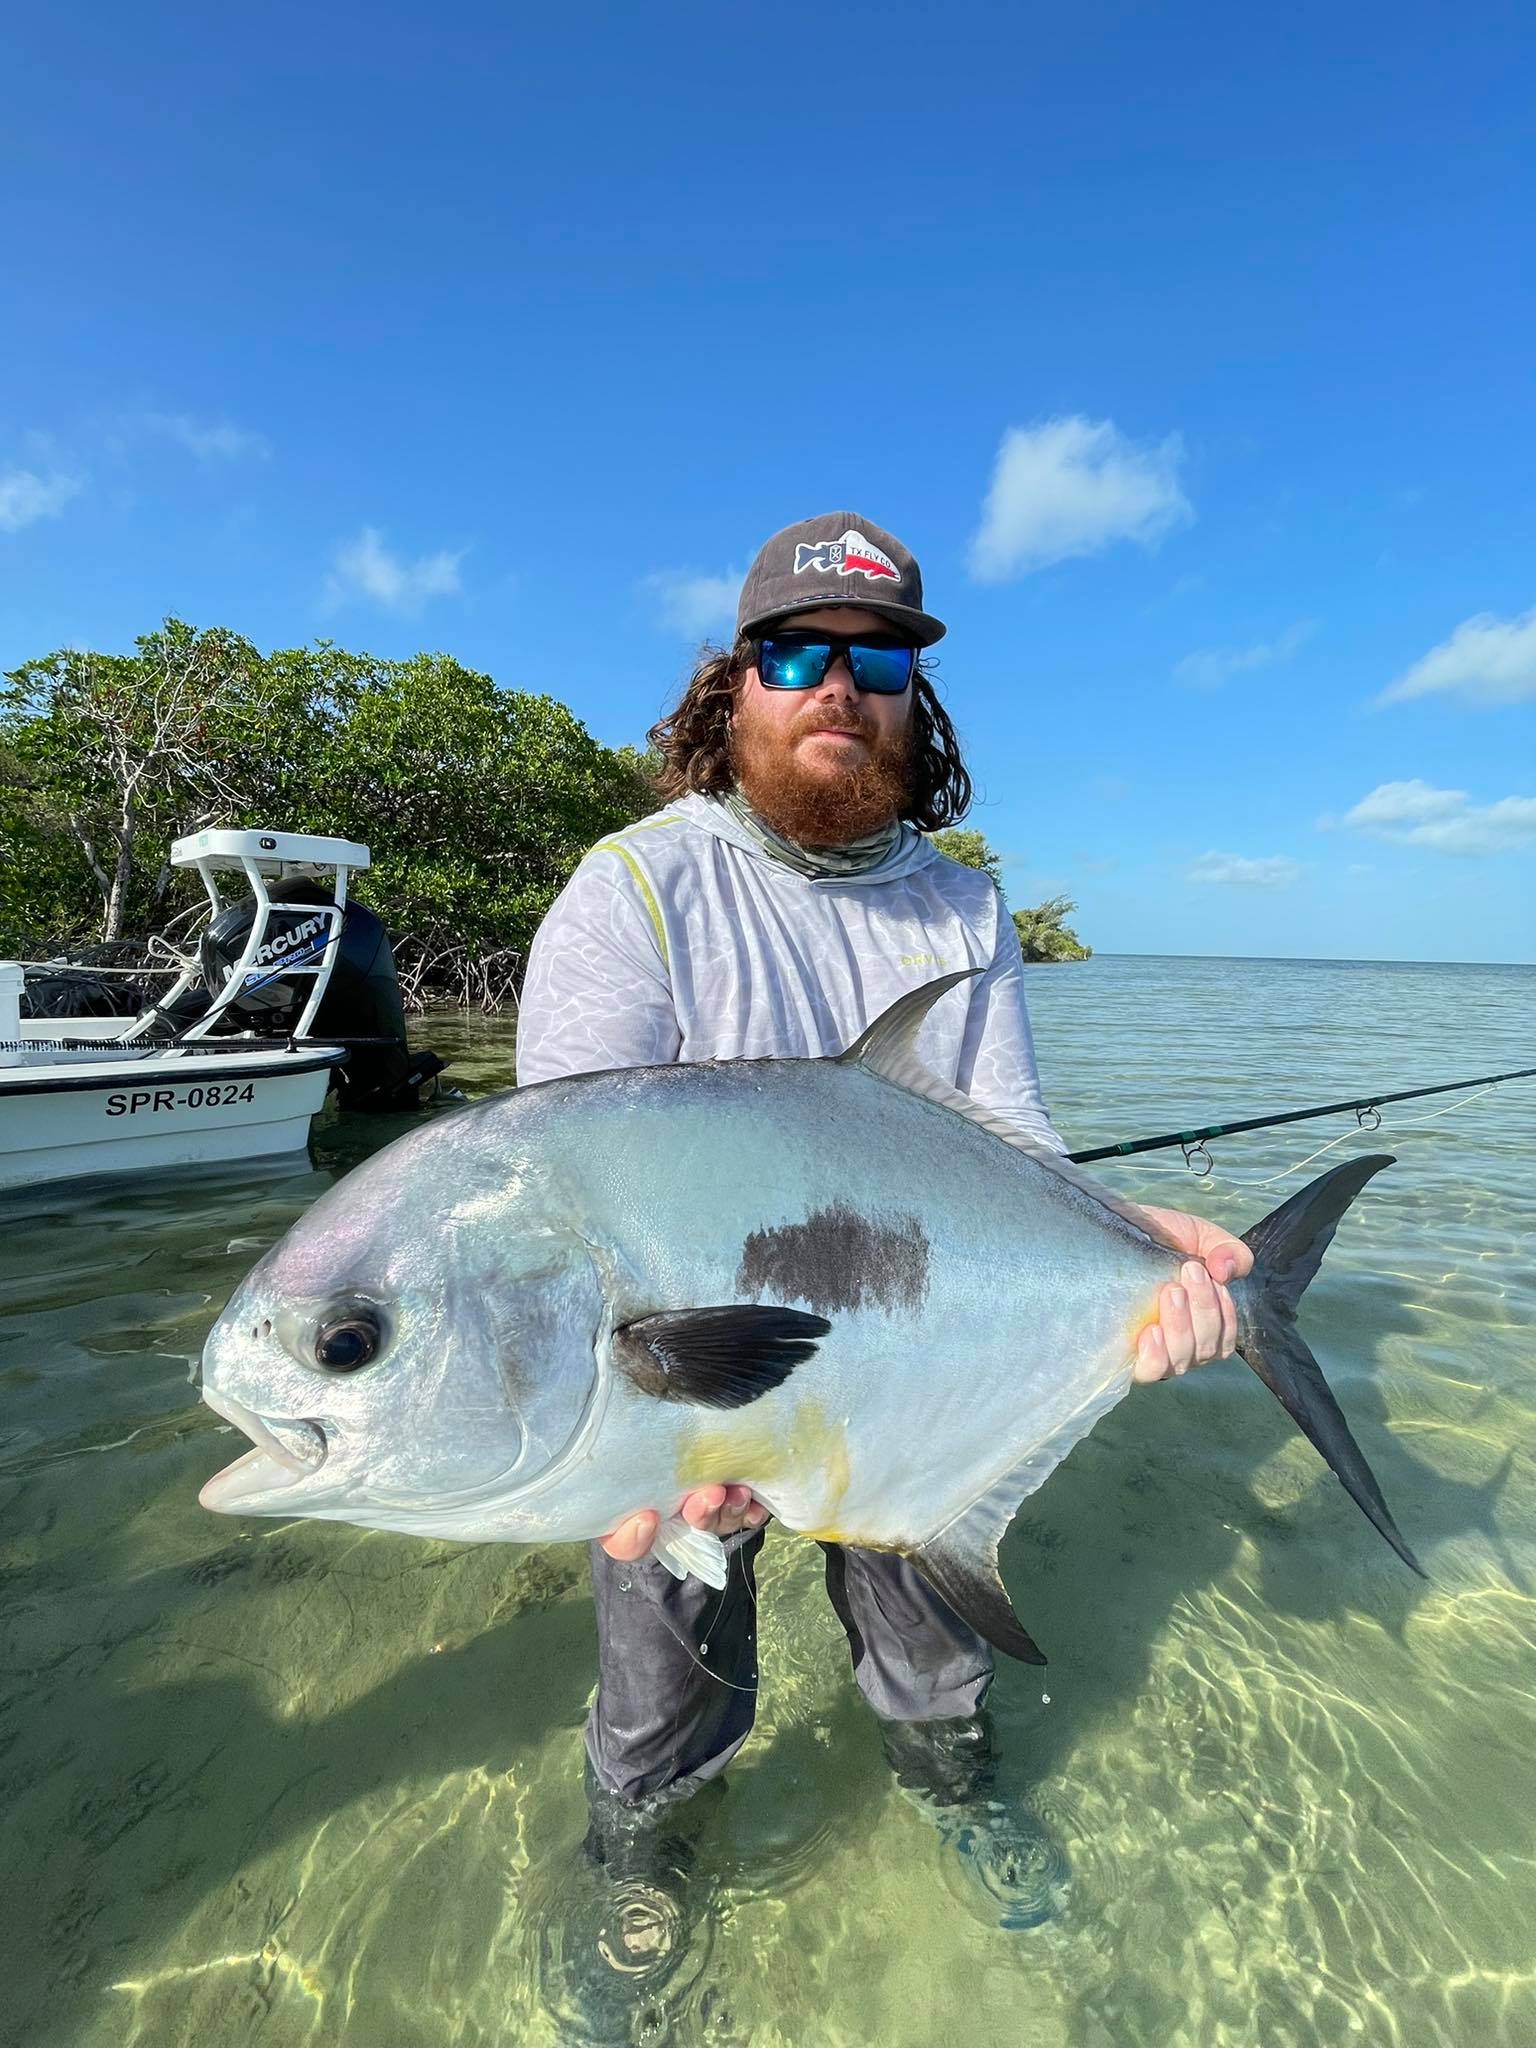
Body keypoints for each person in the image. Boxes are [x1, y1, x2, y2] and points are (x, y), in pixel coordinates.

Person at [515, 512, 1252, 1971]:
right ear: (735, 688)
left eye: (880, 661)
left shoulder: (964, 907)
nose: (839, 686)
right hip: (690, 1371)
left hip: (916, 1343)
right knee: (661, 1674)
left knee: (933, 1645)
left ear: (916, 702)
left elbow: (1015, 1151)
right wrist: (632, 1439)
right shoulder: (636, 888)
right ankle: (647, 1852)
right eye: (797, 652)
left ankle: (950, 1782)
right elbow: (564, 1200)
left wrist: (1131, 1257)